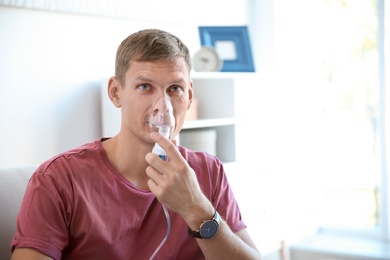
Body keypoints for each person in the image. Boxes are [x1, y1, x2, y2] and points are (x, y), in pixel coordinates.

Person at [10, 28, 262, 260]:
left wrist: (197, 209)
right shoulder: (59, 180)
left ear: (189, 96)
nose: (162, 107)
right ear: (115, 92)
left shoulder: (208, 172)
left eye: (175, 88)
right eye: (145, 86)